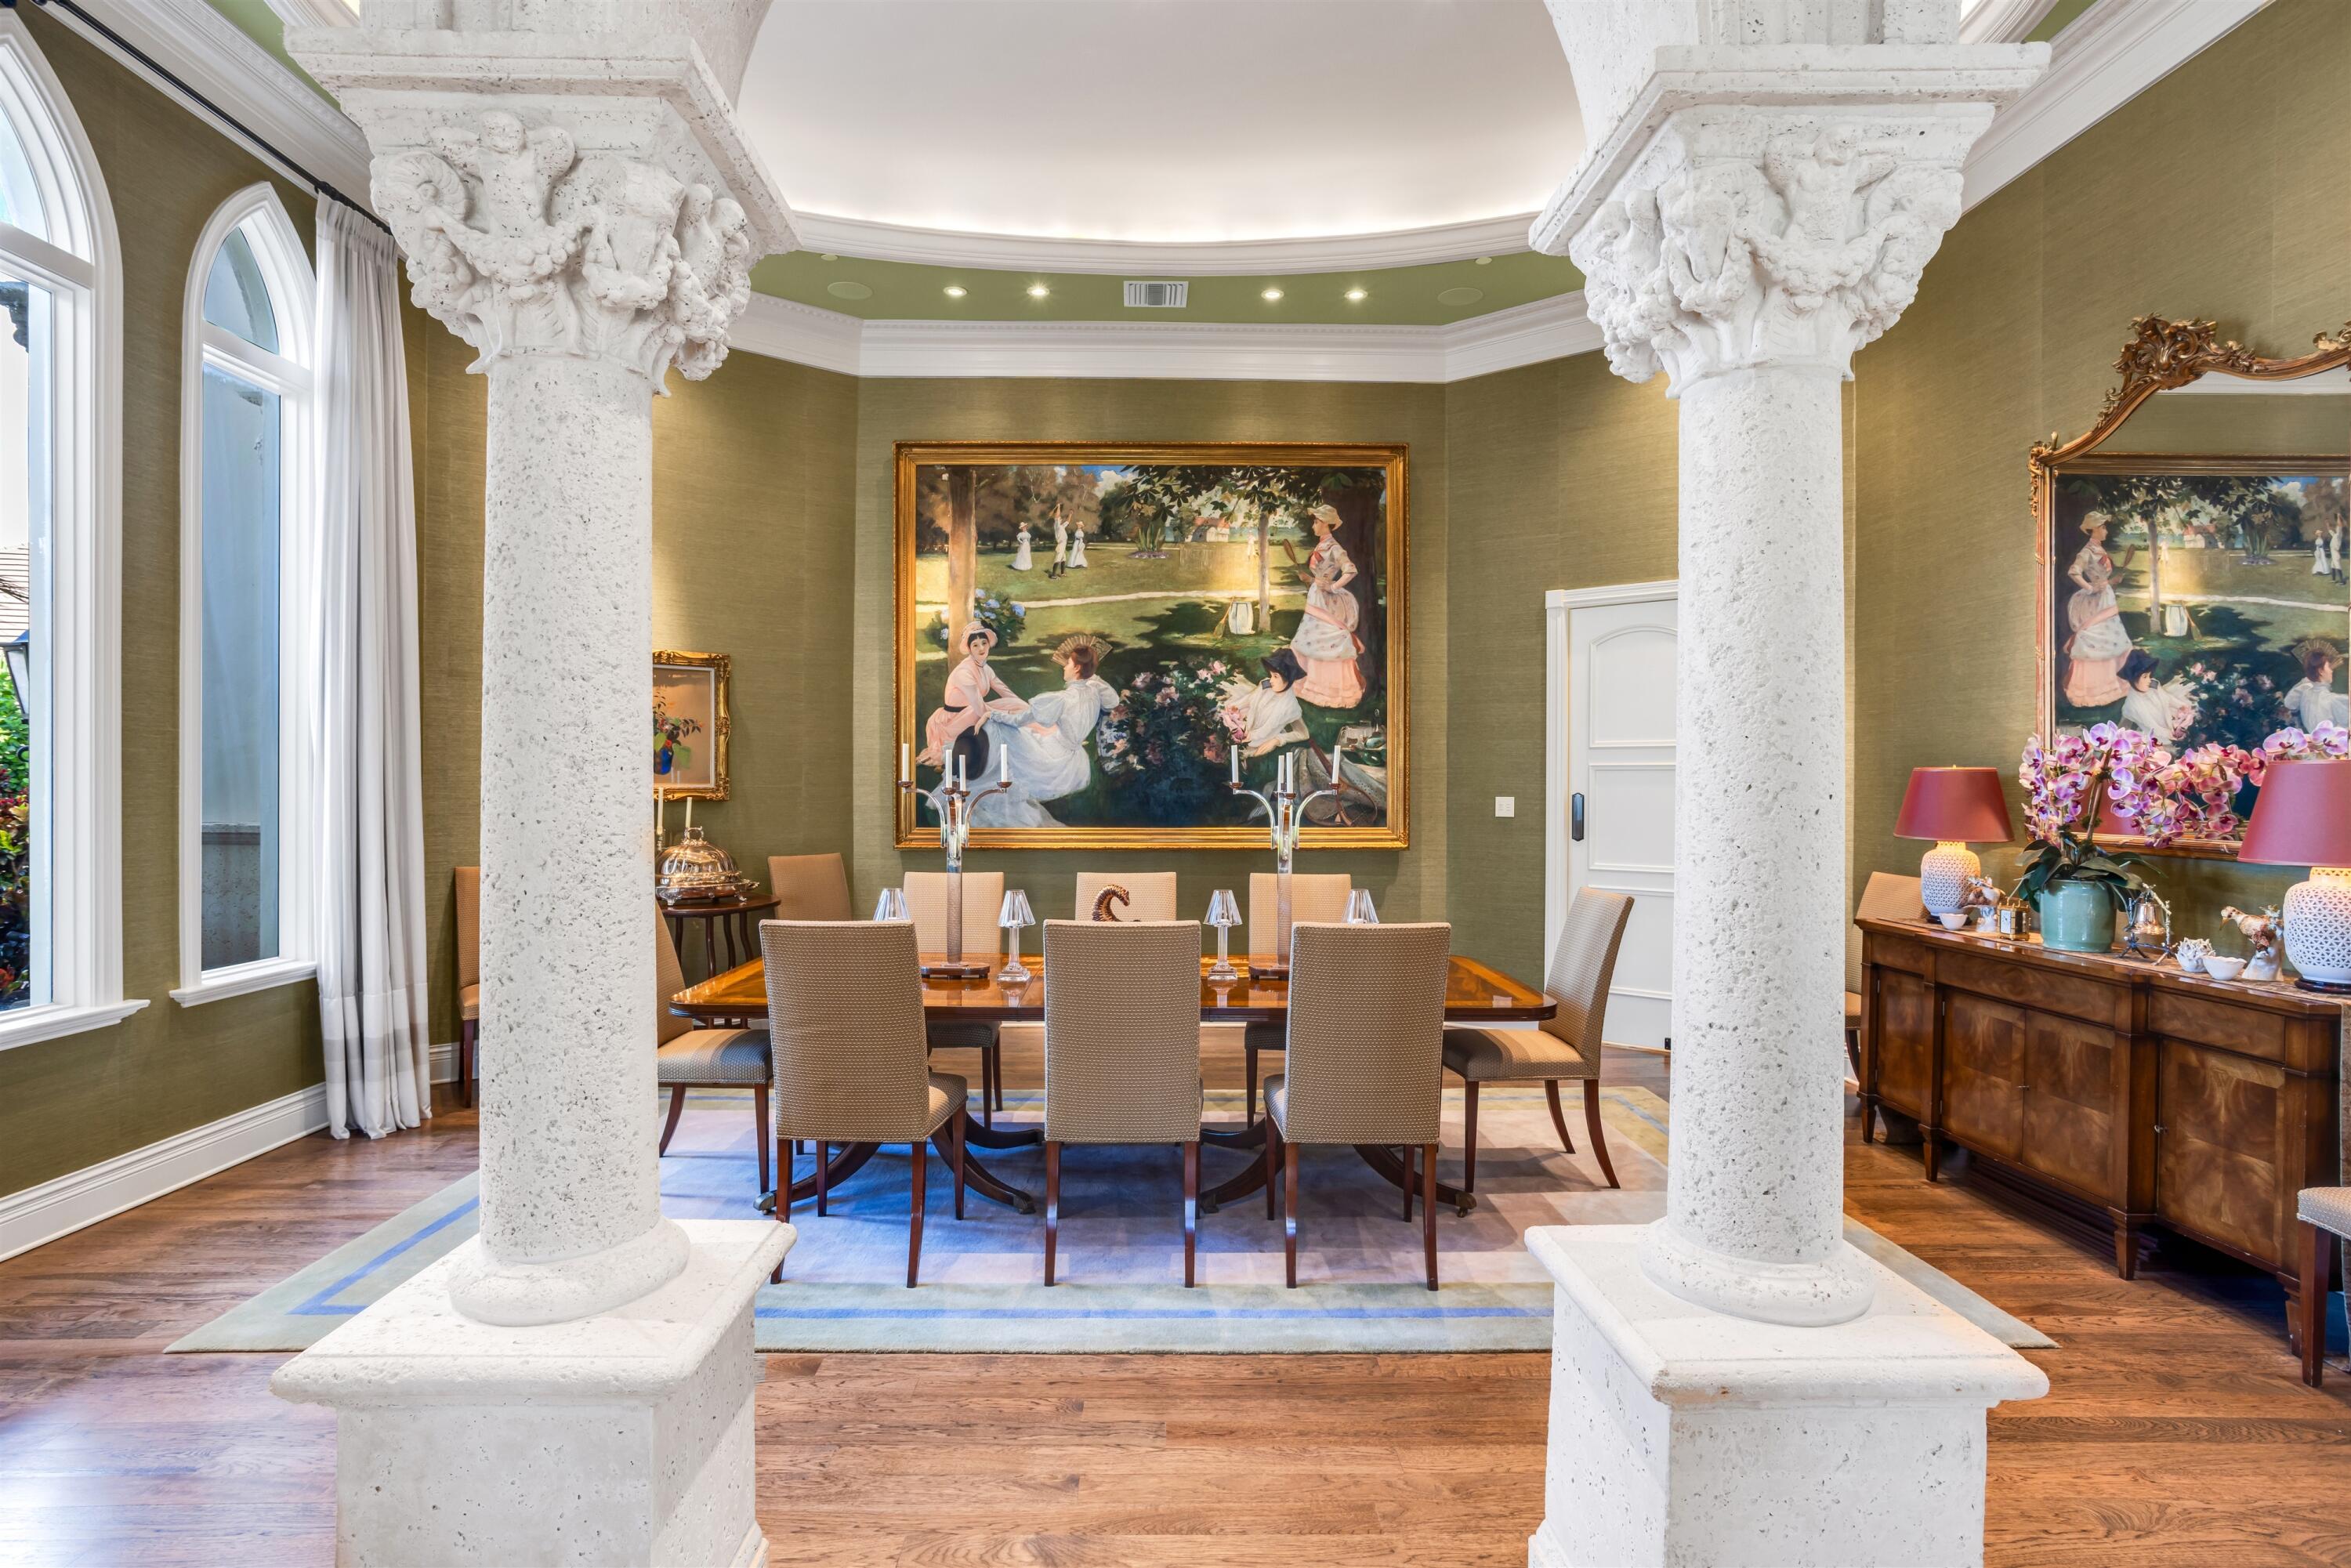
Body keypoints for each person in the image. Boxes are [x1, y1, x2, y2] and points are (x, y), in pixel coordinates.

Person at [971, 636, 1119, 828]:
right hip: (1076, 762)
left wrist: (992, 715)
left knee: (1002, 730)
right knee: (1030, 735)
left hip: (1053, 761)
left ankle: (978, 771)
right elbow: (1113, 702)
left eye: (1067, 664)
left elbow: (1017, 720)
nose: (1064, 667)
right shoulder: (1095, 691)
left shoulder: (1062, 699)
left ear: (1076, 668)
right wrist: (1093, 677)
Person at [917, 625, 1027, 775]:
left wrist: (1023, 708)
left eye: (984, 643)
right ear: (969, 649)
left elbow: (1005, 692)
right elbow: (981, 710)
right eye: (975, 645)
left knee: (1017, 705)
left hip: (971, 712)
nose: (981, 648)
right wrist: (1009, 713)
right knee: (1001, 715)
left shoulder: (985, 668)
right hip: (953, 721)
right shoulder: (964, 672)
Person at [1285, 504, 1365, 708]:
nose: (1313, 525)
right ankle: (1308, 685)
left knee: (1325, 643)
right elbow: (1319, 576)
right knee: (1308, 641)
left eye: (1316, 521)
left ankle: (1330, 691)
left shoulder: (1335, 548)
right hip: (1315, 597)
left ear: (1325, 524)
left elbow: (1351, 570)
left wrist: (1333, 586)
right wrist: (1310, 579)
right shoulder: (1321, 546)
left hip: (1326, 601)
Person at [2062, 513, 2137, 708]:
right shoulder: (2087, 551)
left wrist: (2111, 581)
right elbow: (2074, 572)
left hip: (2106, 597)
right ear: (2094, 529)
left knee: (2114, 639)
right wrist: (2090, 588)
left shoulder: (2099, 548)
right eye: (2103, 527)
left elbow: (2103, 575)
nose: (2106, 530)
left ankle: (2113, 684)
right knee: (2098, 641)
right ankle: (2093, 690)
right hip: (2097, 600)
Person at [1220, 649, 1311, 761]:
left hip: (1256, 739)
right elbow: (1250, 699)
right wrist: (1235, 707)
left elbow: (1303, 733)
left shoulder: (1290, 707)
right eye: (1271, 675)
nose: (1271, 680)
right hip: (1247, 720)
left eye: (1276, 676)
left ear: (1288, 678)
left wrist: (1277, 740)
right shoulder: (1267, 685)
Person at [2117, 650, 2196, 744]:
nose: (2149, 680)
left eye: (2149, 676)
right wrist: (2172, 735)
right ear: (2134, 679)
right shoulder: (2133, 705)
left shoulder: (2153, 684)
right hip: (2156, 737)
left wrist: (2180, 705)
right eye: (2145, 677)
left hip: (2168, 722)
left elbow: (2167, 698)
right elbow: (2153, 727)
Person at [2284, 639, 2349, 732]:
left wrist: (2311, 677)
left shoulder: (2305, 692)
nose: (2332, 670)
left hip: (2313, 741)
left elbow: (2289, 703)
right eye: (2329, 667)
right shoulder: (2333, 700)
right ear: (2321, 671)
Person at [1048, 509, 1069, 579]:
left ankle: (1062, 573)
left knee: (1063, 559)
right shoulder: (1057, 526)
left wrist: (1071, 514)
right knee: (1058, 559)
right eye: (1060, 518)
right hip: (1061, 545)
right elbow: (1057, 516)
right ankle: (1053, 575)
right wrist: (1059, 507)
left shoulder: (1061, 526)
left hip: (1063, 544)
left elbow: (1068, 522)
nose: (1061, 519)